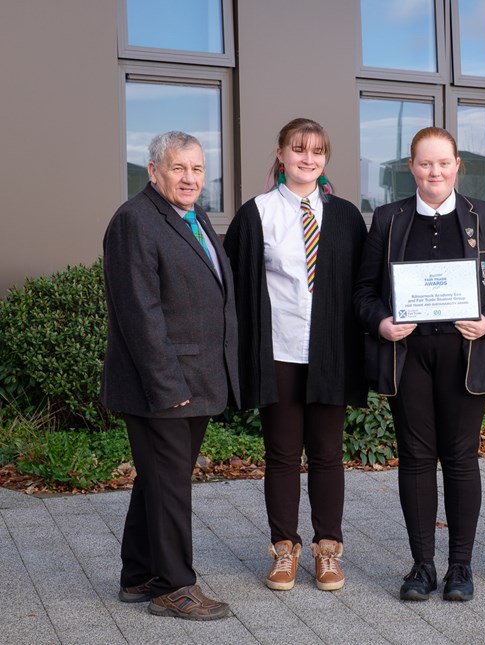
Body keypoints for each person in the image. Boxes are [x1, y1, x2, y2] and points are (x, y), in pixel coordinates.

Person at [354, 127, 485, 602]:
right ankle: (422, 565)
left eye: (443, 163)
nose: (435, 172)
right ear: (412, 167)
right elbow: (363, 292)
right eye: (426, 164)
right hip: (408, 355)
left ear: (456, 167)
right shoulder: (388, 219)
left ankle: (461, 567)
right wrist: (381, 323)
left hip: (465, 354)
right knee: (415, 458)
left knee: (462, 459)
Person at [223, 118, 367, 593]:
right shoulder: (256, 213)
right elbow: (237, 292)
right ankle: (284, 550)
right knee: (282, 454)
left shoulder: (345, 216)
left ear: (326, 158)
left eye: (317, 151)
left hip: (329, 352)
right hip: (279, 350)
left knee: (327, 454)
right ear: (281, 153)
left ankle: (328, 551)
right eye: (298, 149)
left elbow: (361, 288)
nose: (308, 159)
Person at [102, 131, 239, 620]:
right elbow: (140, 312)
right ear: (154, 171)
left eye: (198, 169)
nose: (190, 178)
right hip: (162, 386)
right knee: (170, 486)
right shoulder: (134, 221)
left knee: (160, 480)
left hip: (196, 378)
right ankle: (175, 587)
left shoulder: (194, 217)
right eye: (179, 168)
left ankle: (139, 575)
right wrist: (168, 388)